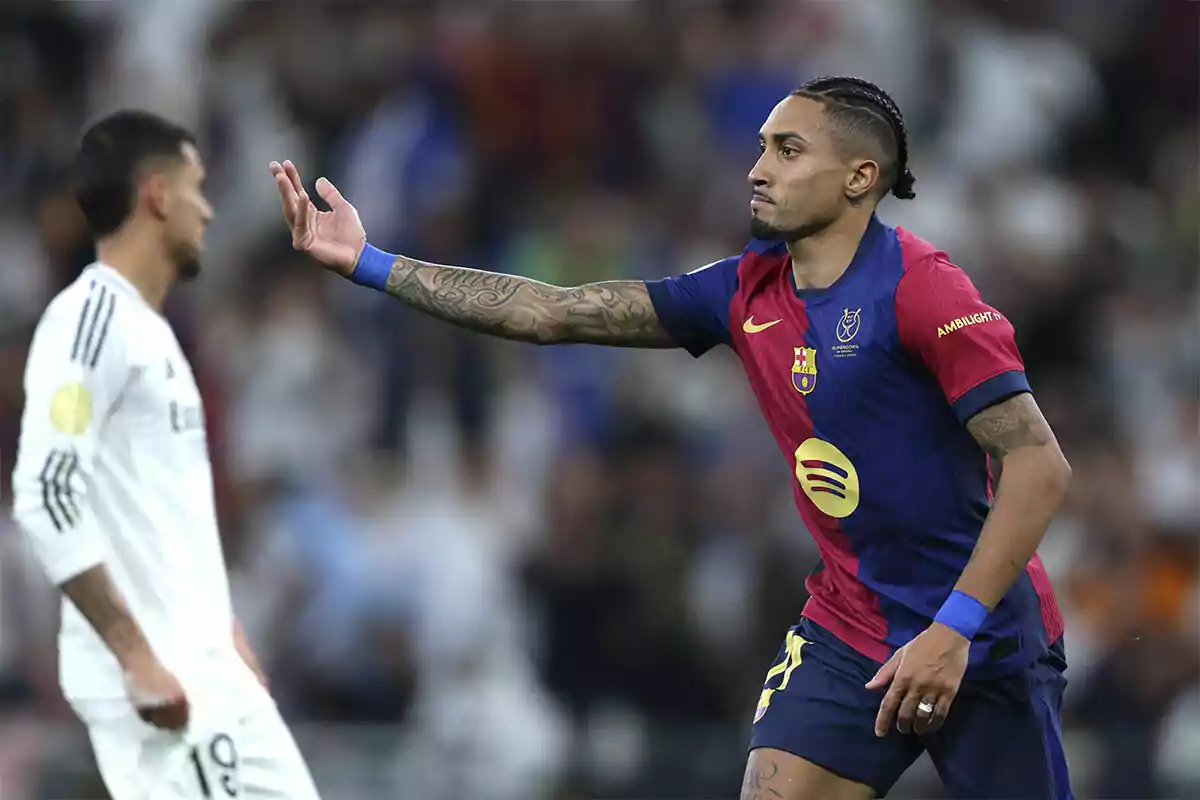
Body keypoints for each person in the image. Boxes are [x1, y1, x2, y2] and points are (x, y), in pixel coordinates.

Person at [271, 75, 1074, 800]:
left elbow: (1038, 465)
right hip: (852, 625)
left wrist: (953, 628)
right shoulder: (741, 290)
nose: (758, 169)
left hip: (984, 633)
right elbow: (554, 311)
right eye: (761, 148)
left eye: (788, 151)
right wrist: (370, 262)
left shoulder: (924, 290)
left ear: (860, 177)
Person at [13, 110, 321, 800]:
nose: (209, 210)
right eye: (197, 187)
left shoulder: (151, 337)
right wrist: (135, 654)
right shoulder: (88, 322)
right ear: (157, 194)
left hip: (205, 670)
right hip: (169, 689)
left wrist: (221, 627)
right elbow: (47, 490)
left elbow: (156, 517)